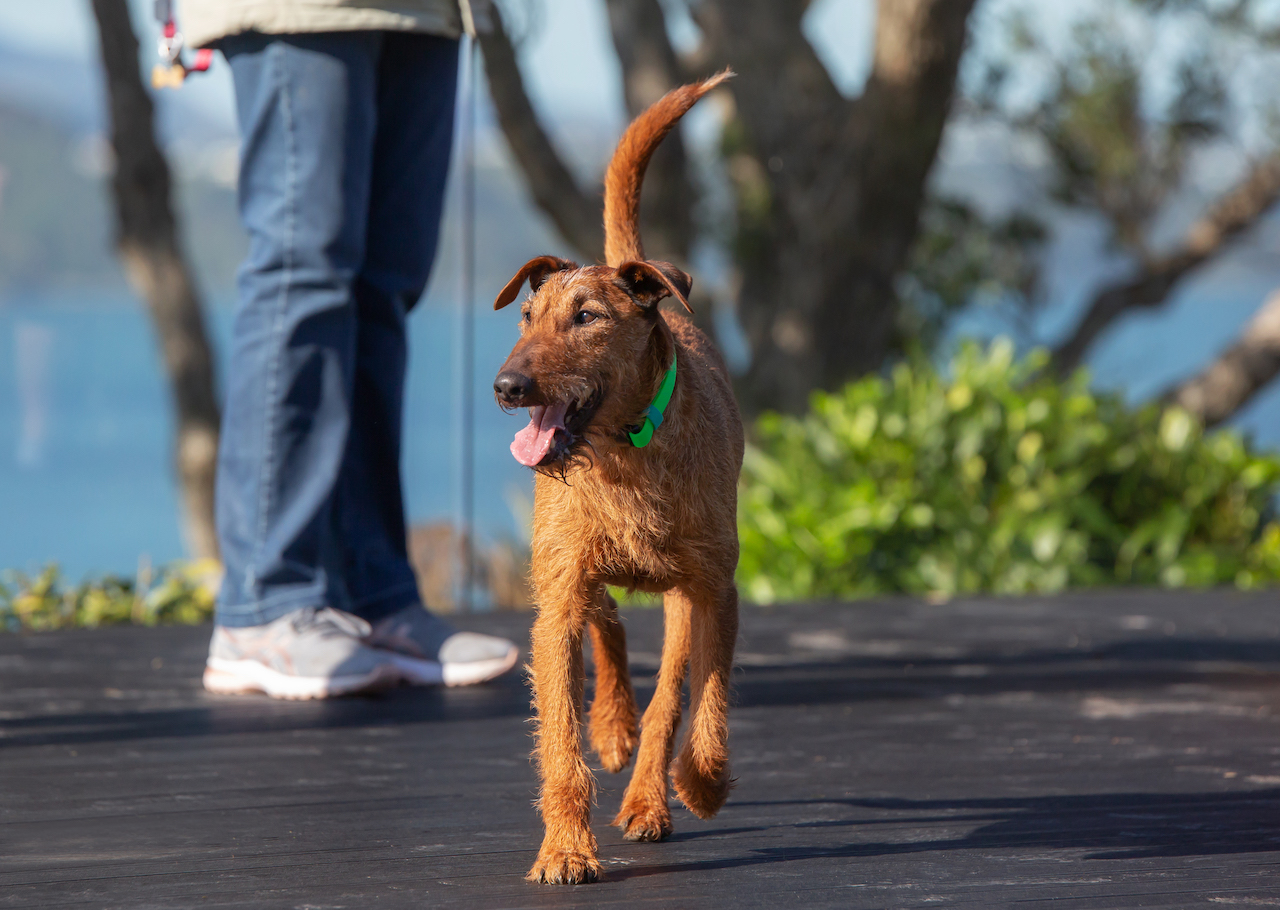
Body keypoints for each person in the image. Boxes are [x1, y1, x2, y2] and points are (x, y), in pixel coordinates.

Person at [179, 0, 518, 699]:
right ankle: (264, 606)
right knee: (302, 272)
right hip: (302, 11)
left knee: (384, 286)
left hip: (427, 13)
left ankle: (374, 595)